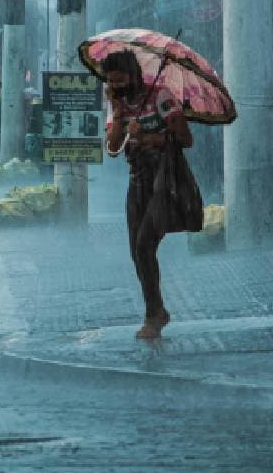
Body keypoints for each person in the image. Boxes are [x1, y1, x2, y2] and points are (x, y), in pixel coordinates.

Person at [103, 50, 199, 340]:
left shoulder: (161, 97)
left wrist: (145, 136)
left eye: (121, 80)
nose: (117, 87)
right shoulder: (117, 104)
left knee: (145, 245)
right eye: (111, 82)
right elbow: (111, 147)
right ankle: (156, 309)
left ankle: (153, 315)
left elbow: (185, 139)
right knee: (137, 251)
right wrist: (118, 115)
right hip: (137, 182)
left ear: (134, 75)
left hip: (163, 180)